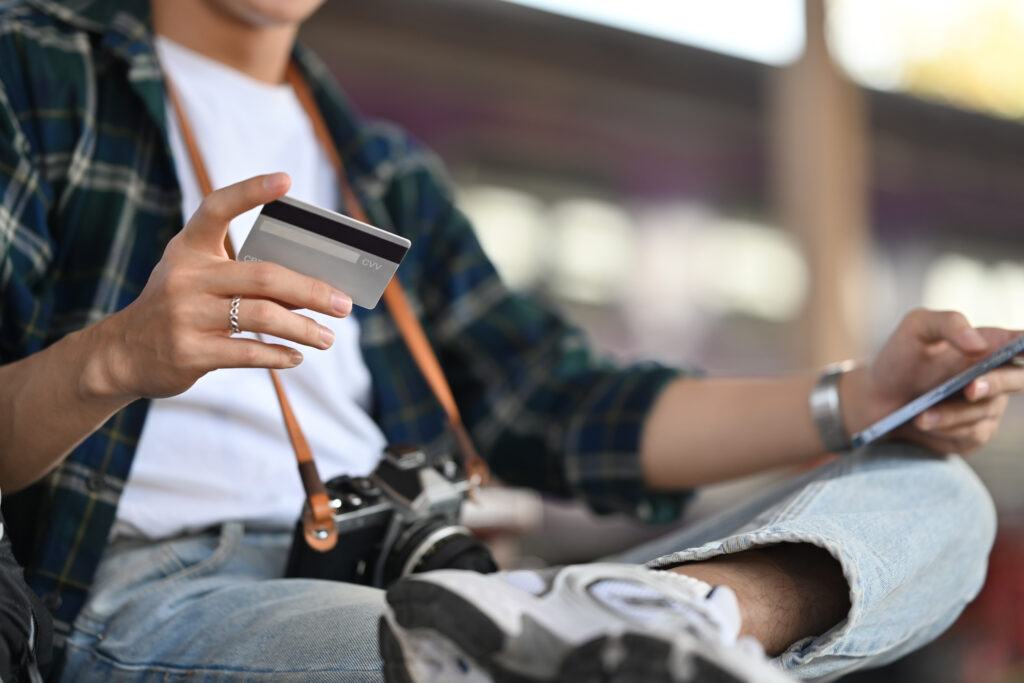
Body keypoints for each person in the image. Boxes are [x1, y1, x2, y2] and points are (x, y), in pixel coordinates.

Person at [0, 0, 1016, 681]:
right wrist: (117, 357)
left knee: (932, 499)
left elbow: (555, 402)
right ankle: (602, 635)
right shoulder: (32, 64)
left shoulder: (380, 166)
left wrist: (865, 395)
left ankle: (650, 620)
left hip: (412, 574)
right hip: (153, 593)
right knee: (466, 659)